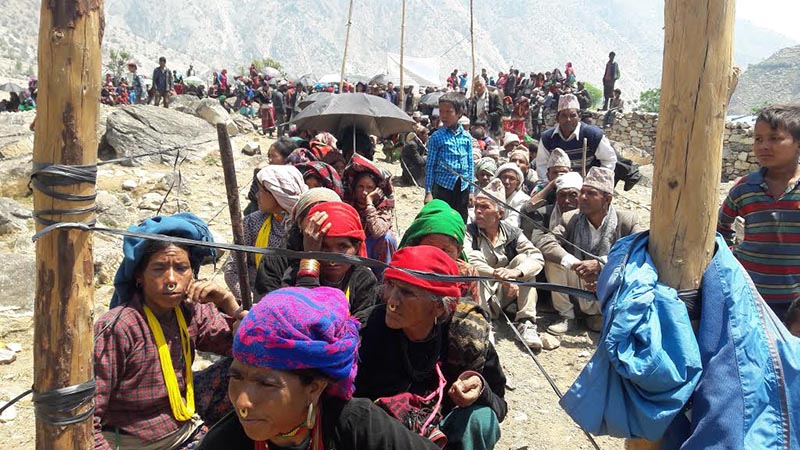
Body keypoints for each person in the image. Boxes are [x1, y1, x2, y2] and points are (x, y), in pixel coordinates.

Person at [198, 287, 440, 450]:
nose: (242, 402)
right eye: (236, 376)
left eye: (266, 383)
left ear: (314, 388)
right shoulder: (226, 440)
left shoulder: (357, 425)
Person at [95, 213, 247, 450]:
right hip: (137, 442)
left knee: (250, 372)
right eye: (158, 269)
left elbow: (247, 348)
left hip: (184, 429)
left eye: (181, 268)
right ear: (139, 277)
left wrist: (228, 303)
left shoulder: (190, 311)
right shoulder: (119, 328)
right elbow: (87, 414)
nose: (171, 280)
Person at [355, 246, 507, 450]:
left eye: (407, 292)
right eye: (391, 285)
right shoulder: (367, 329)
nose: (392, 300)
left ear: (439, 306)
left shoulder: (467, 335)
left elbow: (500, 407)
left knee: (482, 418)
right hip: (383, 436)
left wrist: (479, 389)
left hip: (442, 435)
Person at [717, 105, 800, 319]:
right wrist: (731, 258)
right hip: (750, 295)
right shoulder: (745, 188)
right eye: (758, 139)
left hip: (795, 303)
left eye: (774, 138)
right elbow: (720, 226)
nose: (764, 146)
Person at [538, 167, 642, 334]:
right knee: (553, 260)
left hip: (610, 282)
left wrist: (601, 264)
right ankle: (567, 316)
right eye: (582, 192)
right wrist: (576, 264)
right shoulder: (570, 217)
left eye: (590, 193)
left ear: (607, 199)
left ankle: (605, 315)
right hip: (579, 279)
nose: (582, 198)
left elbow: (639, 249)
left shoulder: (626, 221)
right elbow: (546, 242)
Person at [466, 181, 545, 349]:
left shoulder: (512, 233)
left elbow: (538, 257)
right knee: (475, 266)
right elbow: (470, 258)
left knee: (525, 261)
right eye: (476, 207)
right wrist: (498, 275)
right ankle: (483, 323)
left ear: (500, 213)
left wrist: (515, 273)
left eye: (485, 207)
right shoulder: (470, 232)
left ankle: (526, 322)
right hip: (481, 294)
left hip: (503, 293)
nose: (478, 211)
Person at [223, 165, 307, 302]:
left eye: (262, 190)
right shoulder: (253, 222)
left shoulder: (304, 226)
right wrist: (252, 301)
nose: (256, 195)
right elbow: (232, 270)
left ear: (277, 193)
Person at [398, 199, 480, 301]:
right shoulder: (404, 270)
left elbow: (473, 311)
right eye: (430, 248)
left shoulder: (467, 275)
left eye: (445, 250)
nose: (438, 256)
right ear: (416, 246)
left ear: (458, 251)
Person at [535, 94, 617, 180]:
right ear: (557, 118)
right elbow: (542, 165)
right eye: (564, 116)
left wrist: (596, 182)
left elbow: (608, 160)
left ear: (579, 117)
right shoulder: (548, 138)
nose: (568, 120)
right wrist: (549, 186)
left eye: (572, 115)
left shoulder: (592, 135)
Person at [343, 155, 397, 278]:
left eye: (369, 188)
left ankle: (383, 279)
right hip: (353, 248)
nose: (364, 192)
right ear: (354, 188)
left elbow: (378, 231)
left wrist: (369, 202)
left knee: (387, 238)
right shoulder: (348, 204)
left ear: (377, 190)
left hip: (373, 249)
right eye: (360, 187)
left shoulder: (383, 206)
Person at [425, 93, 474, 222]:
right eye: (441, 111)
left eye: (449, 111)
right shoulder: (436, 137)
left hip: (463, 187)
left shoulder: (467, 137)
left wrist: (471, 191)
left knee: (460, 219)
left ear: (459, 114)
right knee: (441, 219)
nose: (444, 115)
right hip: (443, 187)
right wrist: (428, 192)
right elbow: (430, 166)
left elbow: (470, 165)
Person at [522, 171, 582, 240]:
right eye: (562, 195)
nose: (566, 200)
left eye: (573, 195)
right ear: (556, 197)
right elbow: (537, 239)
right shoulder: (543, 214)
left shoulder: (588, 216)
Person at [494, 162, 531, 228]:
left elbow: (512, 224)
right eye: (504, 177)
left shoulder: (522, 199)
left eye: (511, 178)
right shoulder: (491, 195)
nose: (506, 182)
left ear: (517, 183)